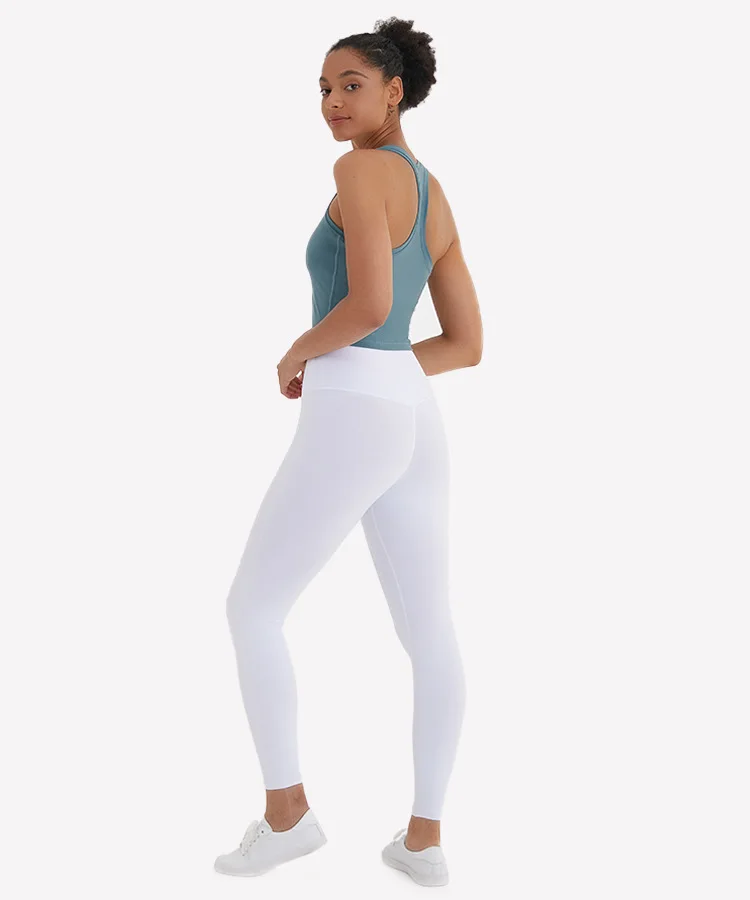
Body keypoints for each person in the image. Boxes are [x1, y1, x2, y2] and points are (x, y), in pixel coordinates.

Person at [214, 16, 482, 887]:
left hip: (356, 413)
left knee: (253, 607)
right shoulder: (434, 193)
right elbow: (465, 343)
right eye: (324, 89)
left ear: (395, 92)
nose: (332, 101)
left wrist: (299, 352)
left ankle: (287, 816)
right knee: (430, 629)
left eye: (351, 85)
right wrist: (383, 370)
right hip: (414, 413)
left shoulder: (360, 170)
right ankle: (424, 840)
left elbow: (367, 305)